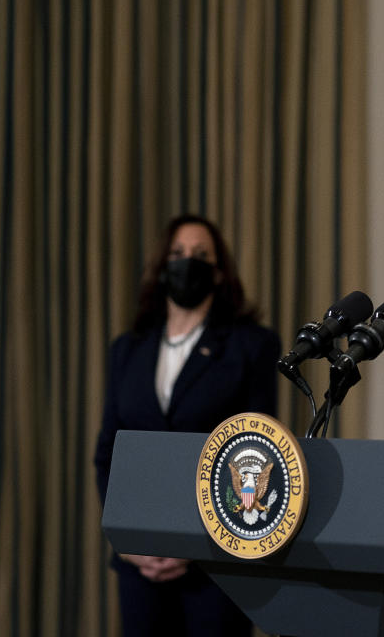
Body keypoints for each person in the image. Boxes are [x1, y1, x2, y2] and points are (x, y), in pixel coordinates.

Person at [94, 215, 280, 637]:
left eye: (200, 255)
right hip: (139, 563)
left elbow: (254, 451)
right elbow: (108, 454)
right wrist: (127, 539)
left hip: (216, 568)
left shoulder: (251, 345)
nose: (186, 263)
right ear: (161, 266)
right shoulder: (127, 350)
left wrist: (198, 546)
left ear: (219, 272)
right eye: (177, 254)